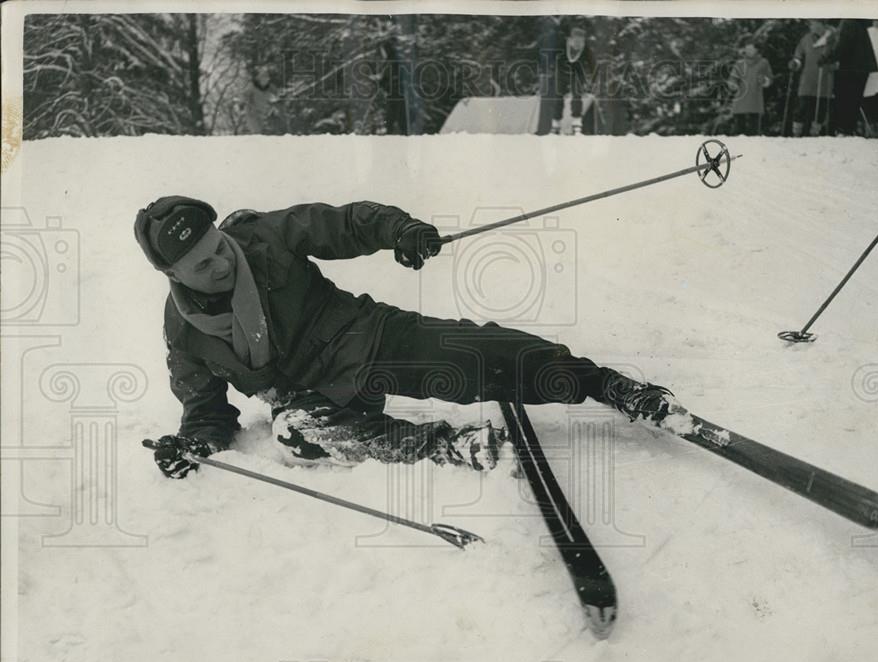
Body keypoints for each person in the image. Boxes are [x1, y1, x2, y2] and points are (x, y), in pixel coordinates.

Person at [135, 197, 689, 478]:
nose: (218, 264)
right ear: (172, 275)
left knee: (481, 356)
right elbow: (205, 410)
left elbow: (347, 222)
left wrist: (401, 230)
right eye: (200, 265)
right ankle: (451, 445)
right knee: (297, 434)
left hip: (367, 339)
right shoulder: (183, 332)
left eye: (216, 247)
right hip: (314, 396)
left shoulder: (262, 236)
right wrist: (195, 444)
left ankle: (607, 386)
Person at [821, 19, 878, 136]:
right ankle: (847, 129)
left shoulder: (848, 22)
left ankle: (843, 129)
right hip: (862, 66)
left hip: (851, 66)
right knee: (854, 99)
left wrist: (829, 58)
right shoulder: (857, 22)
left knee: (844, 97)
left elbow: (843, 44)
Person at [788, 20, 836, 136]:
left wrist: (833, 65)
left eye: (813, 23)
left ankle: (815, 134)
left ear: (821, 23)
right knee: (801, 107)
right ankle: (796, 134)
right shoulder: (806, 38)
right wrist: (795, 63)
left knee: (820, 110)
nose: (810, 26)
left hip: (824, 79)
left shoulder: (833, 38)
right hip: (807, 79)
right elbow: (799, 54)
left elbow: (838, 55)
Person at [549, 22, 596, 135]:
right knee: (558, 96)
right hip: (561, 71)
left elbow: (592, 63)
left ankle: (577, 124)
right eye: (575, 40)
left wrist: (593, 79)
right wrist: (550, 67)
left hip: (576, 73)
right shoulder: (562, 44)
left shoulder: (585, 48)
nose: (577, 44)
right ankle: (556, 125)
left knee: (577, 96)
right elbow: (551, 56)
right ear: (570, 39)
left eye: (580, 41)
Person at [728, 41, 774, 136]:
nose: (748, 51)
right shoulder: (740, 63)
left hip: (755, 95)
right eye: (747, 49)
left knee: (754, 125)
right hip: (741, 96)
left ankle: (753, 144)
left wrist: (765, 80)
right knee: (739, 126)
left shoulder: (763, 62)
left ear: (756, 50)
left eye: (751, 49)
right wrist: (733, 84)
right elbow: (733, 77)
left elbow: (769, 77)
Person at [244, 65, 282, 135]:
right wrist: (245, 102)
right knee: (257, 132)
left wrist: (276, 99)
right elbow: (244, 96)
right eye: (263, 78)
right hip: (253, 113)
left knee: (269, 132)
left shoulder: (271, 87)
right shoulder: (252, 87)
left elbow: (277, 96)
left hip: (266, 113)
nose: (265, 80)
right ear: (259, 79)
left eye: (267, 79)